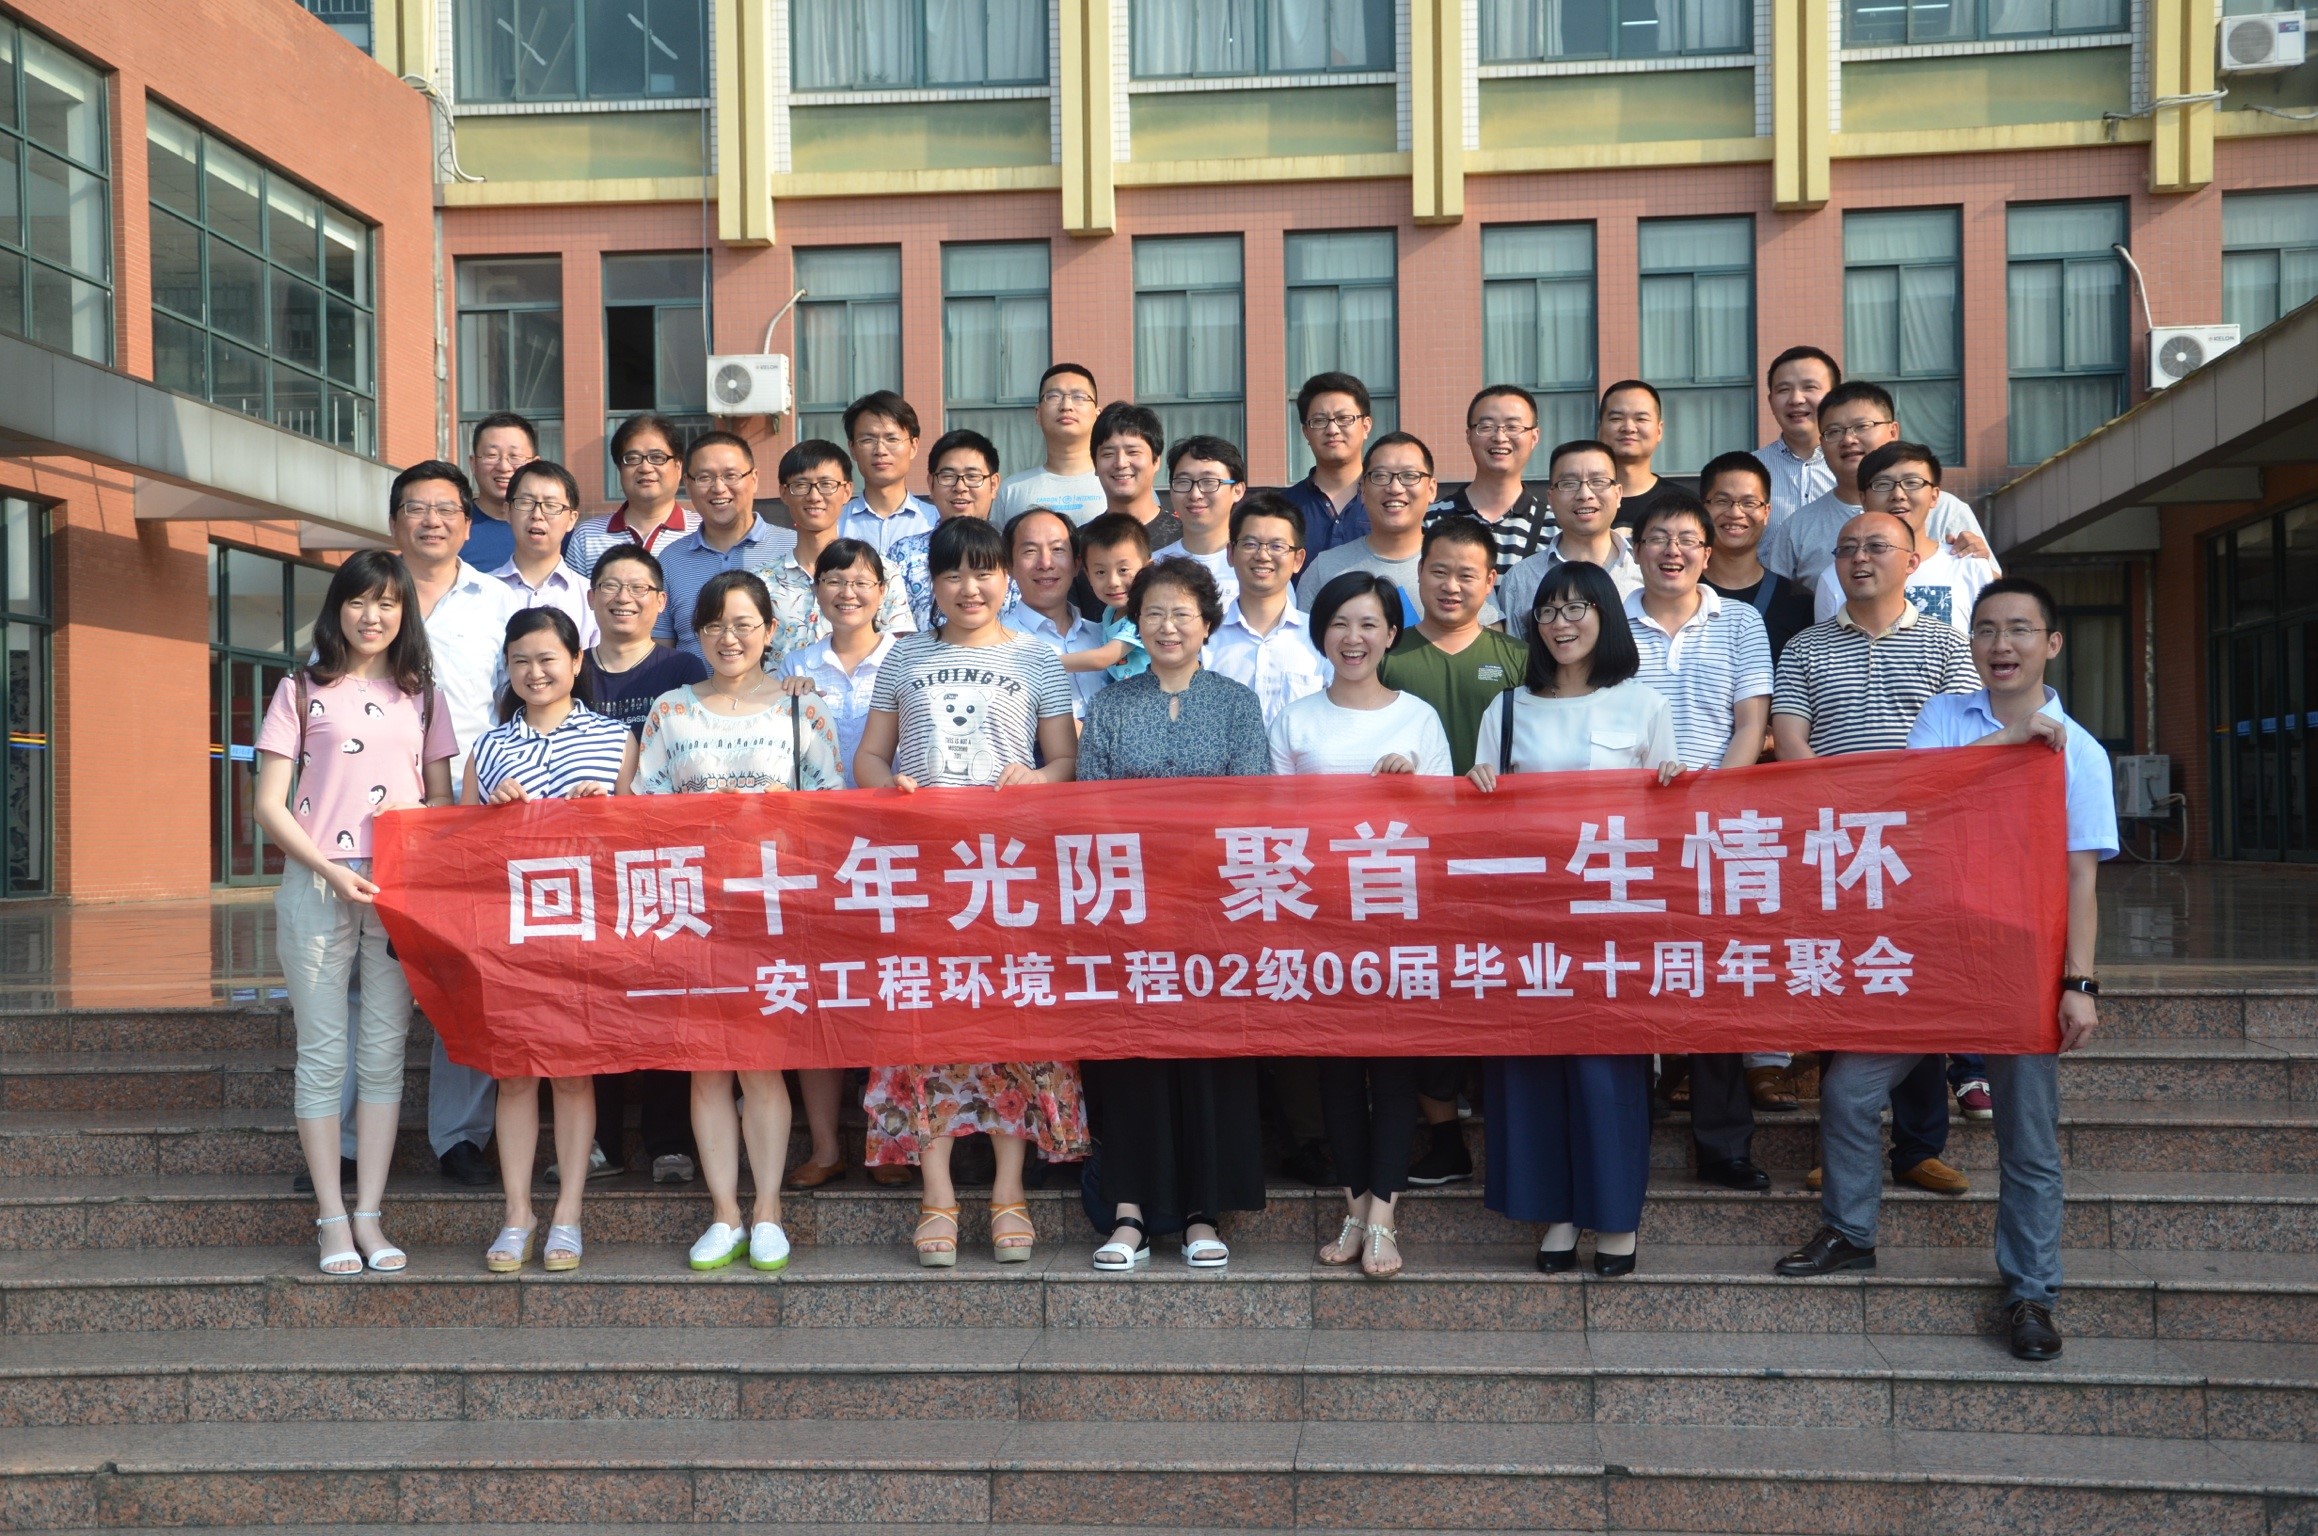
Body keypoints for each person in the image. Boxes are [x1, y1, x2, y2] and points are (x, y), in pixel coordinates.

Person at [1781, 577, 2118, 1366]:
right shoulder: (1944, 716)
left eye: (2020, 630)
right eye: (1988, 630)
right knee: (1850, 1090)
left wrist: (2079, 983)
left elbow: (2081, 879)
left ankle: (2031, 1292)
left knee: (2027, 1139)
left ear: (2051, 644)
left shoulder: (2082, 751)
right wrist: (2011, 742)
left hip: (2021, 960)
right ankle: (1851, 1232)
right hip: (1929, 952)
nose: (2003, 645)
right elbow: (1919, 801)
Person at [854, 517, 1092, 1267]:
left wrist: (1037, 779)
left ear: (1006, 578)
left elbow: (1065, 763)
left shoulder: (1038, 657)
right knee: (922, 1026)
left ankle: (1008, 1191)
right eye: (953, 574)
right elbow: (869, 756)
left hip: (1008, 872)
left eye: (984, 571)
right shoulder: (904, 656)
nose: (970, 587)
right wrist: (890, 787)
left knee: (1011, 1022)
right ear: (932, 583)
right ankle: (937, 1195)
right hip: (925, 872)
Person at [1470, 561, 1680, 1276]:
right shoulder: (1506, 710)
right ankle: (1556, 1211)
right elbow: (1482, 818)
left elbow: (1669, 821)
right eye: (1549, 611)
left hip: (1612, 916)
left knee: (1604, 1071)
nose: (1561, 624)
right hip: (1528, 914)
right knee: (1533, 1070)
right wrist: (1477, 787)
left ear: (1605, 617)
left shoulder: (1643, 704)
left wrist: (1673, 786)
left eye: (1576, 609)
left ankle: (1615, 1220)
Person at [633, 569, 846, 1273]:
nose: (730, 637)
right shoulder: (669, 710)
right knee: (706, 1067)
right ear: (697, 634)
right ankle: (724, 1213)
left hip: (772, 909)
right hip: (693, 908)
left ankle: (768, 1212)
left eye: (744, 624)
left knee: (761, 1066)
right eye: (715, 625)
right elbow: (643, 811)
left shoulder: (801, 708)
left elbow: (831, 807)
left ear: (770, 632)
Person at [251, 549, 455, 1275]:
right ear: (337, 608)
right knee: (322, 1052)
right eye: (359, 601)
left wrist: (412, 869)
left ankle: (369, 1214)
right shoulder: (300, 689)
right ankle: (331, 1219)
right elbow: (269, 805)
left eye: (388, 603)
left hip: (398, 889)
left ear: (404, 614)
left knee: (383, 1054)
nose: (373, 616)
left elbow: (439, 800)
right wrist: (330, 871)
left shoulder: (423, 695)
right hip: (318, 882)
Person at [1772, 509, 1981, 1200]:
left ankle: (1919, 1148)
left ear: (1913, 561)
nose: (1859, 558)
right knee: (1839, 990)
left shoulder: (1948, 644)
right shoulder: (1804, 646)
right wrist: (1848, 808)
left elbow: (1960, 743)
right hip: (1835, 845)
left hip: (1921, 846)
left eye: (1876, 546)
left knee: (1912, 988)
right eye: (1847, 548)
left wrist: (1900, 811)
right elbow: (1791, 739)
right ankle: (1842, 1150)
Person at [1078, 558, 1273, 1272]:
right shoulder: (1110, 706)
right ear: (1136, 624)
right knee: (1133, 1060)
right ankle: (1129, 1212)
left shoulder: (1236, 704)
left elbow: (1252, 804)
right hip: (1128, 913)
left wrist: (1192, 870)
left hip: (1215, 913)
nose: (1167, 627)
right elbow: (1091, 806)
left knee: (1205, 1061)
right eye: (1154, 613)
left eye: (1182, 614)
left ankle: (1201, 1213)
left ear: (1208, 625)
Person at [1268, 572, 1456, 1280]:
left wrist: (1412, 789)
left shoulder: (1419, 718)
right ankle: (1354, 1210)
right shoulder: (1295, 720)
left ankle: (1385, 1216)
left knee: (1395, 1068)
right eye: (1340, 623)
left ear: (1390, 635)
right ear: (1321, 634)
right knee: (1338, 1071)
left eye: (1369, 623)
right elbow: (1273, 828)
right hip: (1320, 919)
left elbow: (1446, 825)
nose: (1354, 638)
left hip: (1397, 918)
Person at [468, 608, 636, 1274]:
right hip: (509, 932)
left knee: (571, 1076)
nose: (535, 673)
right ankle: (518, 1214)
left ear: (575, 661)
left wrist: (609, 815)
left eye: (547, 659)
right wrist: (491, 817)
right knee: (513, 1077)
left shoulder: (615, 738)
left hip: (584, 932)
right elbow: (460, 849)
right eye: (521, 661)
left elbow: (643, 841)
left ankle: (567, 1212)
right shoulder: (488, 747)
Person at [1623, 491, 1777, 1187]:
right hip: (1629, 832)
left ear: (1708, 554)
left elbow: (1751, 722)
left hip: (1717, 830)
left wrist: (1711, 799)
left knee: (1714, 981)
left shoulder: (1740, 621)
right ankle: (1630, 1126)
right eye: (1659, 538)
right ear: (1637, 551)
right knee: (1631, 975)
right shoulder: (1609, 620)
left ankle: (1724, 1145)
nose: (1673, 551)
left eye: (1687, 539)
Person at [1375, 515, 1525, 1185]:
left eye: (1467, 574)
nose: (1452, 585)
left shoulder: (1518, 657)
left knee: (1500, 993)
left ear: (1491, 581)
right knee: (1424, 997)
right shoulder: (1389, 654)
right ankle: (1443, 1139)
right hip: (1411, 862)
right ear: (1418, 574)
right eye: (1439, 571)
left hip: (1504, 861)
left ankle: (1513, 1141)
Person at [387, 460, 519, 1187]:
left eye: (446, 509)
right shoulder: (367, 597)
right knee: (369, 981)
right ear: (395, 522)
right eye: (417, 508)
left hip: (473, 813)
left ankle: (460, 1137)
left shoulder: (497, 602)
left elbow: (520, 697)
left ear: (469, 525)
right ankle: (350, 1141)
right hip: (380, 815)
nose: (432, 520)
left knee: (467, 974)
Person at [574, 545, 708, 1185]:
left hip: (665, 862)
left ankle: (668, 1141)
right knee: (593, 1000)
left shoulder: (682, 668)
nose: (623, 598)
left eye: (638, 588)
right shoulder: (571, 669)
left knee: (667, 997)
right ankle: (597, 1141)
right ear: (591, 597)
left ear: (661, 601)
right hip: (586, 871)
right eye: (610, 585)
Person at [776, 536, 899, 1192]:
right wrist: (782, 698)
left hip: (894, 847)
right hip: (815, 849)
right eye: (834, 581)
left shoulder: (909, 658)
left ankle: (892, 1143)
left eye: (861, 582)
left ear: (882, 592)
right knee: (818, 993)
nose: (847, 593)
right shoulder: (793, 664)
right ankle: (826, 1146)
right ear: (816, 592)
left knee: (891, 992)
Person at [1761, 382, 1991, 591]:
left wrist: (1979, 558)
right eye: (1834, 431)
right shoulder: (1798, 527)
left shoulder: (1947, 510)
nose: (1848, 439)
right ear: (1822, 443)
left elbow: (1986, 589)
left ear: (1893, 431)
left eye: (1862, 426)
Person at [1811, 442, 2000, 632]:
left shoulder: (1969, 567)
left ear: (1934, 496)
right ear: (1863, 499)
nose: (1898, 495)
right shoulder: (1836, 577)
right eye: (1882, 484)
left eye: (1912, 483)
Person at [756, 439, 913, 668]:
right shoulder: (762, 582)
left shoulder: (882, 571)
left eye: (826, 484)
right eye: (801, 485)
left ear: (847, 491)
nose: (814, 496)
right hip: (783, 690)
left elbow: (900, 654)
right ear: (784, 493)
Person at [656, 432, 794, 661]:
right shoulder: (670, 560)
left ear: (754, 478)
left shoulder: (792, 547)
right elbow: (661, 649)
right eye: (704, 477)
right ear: (688, 484)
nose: (719, 487)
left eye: (731, 475)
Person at [1498, 439, 1644, 641]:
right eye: (1569, 484)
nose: (1585, 494)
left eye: (1598, 481)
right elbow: (1514, 657)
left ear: (1618, 494)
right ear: (1551, 498)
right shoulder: (1521, 579)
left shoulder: (1645, 570)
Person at [1204, 491, 1328, 727]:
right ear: (1230, 553)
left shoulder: (1321, 640)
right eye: (1250, 544)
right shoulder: (1205, 639)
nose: (1262, 555)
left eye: (1277, 546)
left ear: (1298, 560)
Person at [1295, 432, 1441, 628]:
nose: (1395, 488)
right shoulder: (1325, 569)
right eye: (1380, 476)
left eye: (1409, 476)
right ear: (1362, 489)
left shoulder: (1456, 568)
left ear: (1431, 489)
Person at [1700, 450, 1818, 663]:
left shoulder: (1798, 602)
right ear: (1702, 509)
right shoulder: (1679, 592)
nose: (1735, 513)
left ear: (1767, 512)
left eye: (1749, 503)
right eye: (1722, 501)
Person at [1427, 384, 1553, 573]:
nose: (1500, 437)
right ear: (1468, 436)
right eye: (1486, 427)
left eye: (1513, 427)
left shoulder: (1555, 526)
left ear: (1534, 437)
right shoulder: (1429, 519)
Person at [1002, 507, 1109, 721]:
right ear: (1009, 566)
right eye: (1030, 551)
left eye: (1057, 549)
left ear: (1077, 564)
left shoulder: (1103, 636)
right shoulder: (1000, 644)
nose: (1046, 563)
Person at [565, 412, 699, 578]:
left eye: (657, 457)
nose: (645, 468)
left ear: (678, 467)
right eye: (632, 458)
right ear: (619, 468)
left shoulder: (702, 531)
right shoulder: (587, 537)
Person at [490, 460, 600, 649]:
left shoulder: (592, 598)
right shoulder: (480, 592)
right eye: (526, 502)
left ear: (571, 519)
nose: (537, 514)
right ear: (507, 511)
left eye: (551, 505)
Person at [992, 364, 1106, 526]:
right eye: (1053, 396)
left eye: (1079, 396)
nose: (1066, 406)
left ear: (1097, 414)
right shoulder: (1012, 490)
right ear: (1038, 414)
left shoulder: (1118, 483)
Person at [1281, 371, 1374, 552]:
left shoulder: (1389, 500)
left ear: (1365, 426)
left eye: (1343, 418)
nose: (1332, 429)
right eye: (1319, 421)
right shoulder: (1282, 507)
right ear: (1306, 432)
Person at [836, 391, 938, 555]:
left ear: (913, 446)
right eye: (867, 440)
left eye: (892, 439)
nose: (880, 450)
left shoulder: (936, 522)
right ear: (852, 449)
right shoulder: (835, 524)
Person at [1154, 435, 1245, 609]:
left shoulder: (1256, 565)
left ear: (1238, 490)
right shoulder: (1155, 566)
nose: (1195, 494)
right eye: (1183, 482)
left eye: (1209, 482)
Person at [1757, 346, 1840, 529]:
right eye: (1784, 389)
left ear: (1835, 396)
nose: (1796, 399)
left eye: (1809, 387)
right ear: (1770, 401)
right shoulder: (1750, 469)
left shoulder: (1855, 469)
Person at [1079, 512, 1154, 684]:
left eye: (1123, 570)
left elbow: (1102, 659)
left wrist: (1047, 662)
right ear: (1088, 575)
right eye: (1100, 572)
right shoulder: (1110, 611)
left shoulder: (1144, 615)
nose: (1113, 582)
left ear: (1148, 568)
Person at [1598, 381, 1678, 530]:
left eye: (1641, 419)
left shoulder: (1684, 503)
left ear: (1659, 430)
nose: (1628, 428)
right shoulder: (1579, 502)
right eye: (1616, 418)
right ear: (1600, 428)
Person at [462, 410, 534, 572]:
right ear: (473, 464)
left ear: (535, 464)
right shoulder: (452, 527)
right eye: (492, 455)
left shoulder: (556, 531)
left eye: (515, 456)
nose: (503, 467)